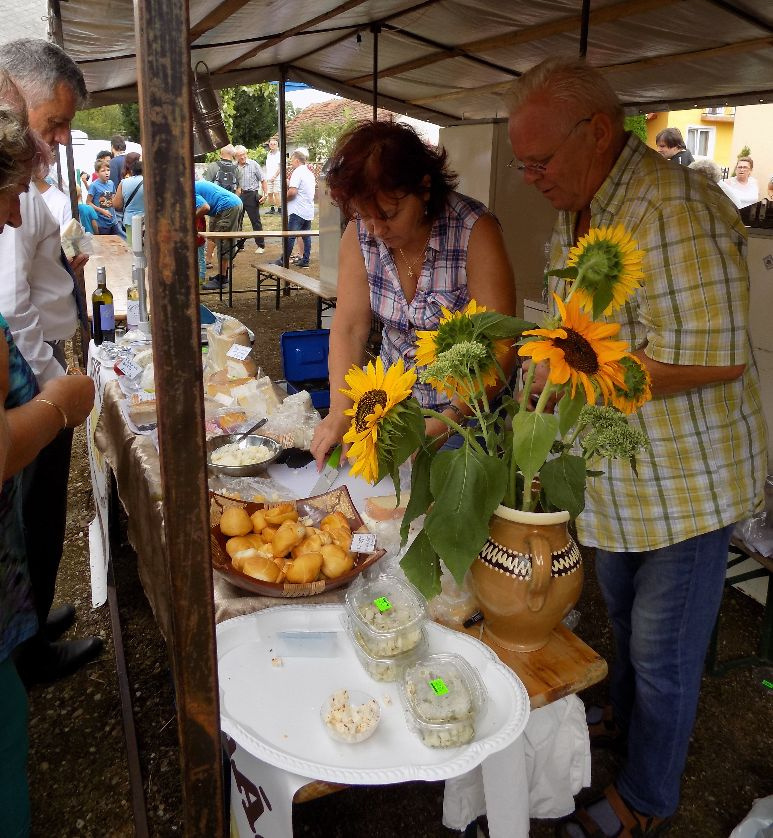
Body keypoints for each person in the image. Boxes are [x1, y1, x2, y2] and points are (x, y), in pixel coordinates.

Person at [505, 57, 767, 837]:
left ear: (597, 133)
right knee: (618, 623)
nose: (529, 177)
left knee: (662, 655)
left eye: (539, 161)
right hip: (615, 479)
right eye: (520, 163)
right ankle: (620, 725)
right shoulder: (582, 208)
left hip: (685, 484)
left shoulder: (670, 207)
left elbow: (716, 353)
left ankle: (646, 798)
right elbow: (577, 328)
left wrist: (586, 375)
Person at [310, 120, 517, 468]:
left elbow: (499, 347)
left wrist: (448, 420)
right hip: (394, 407)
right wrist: (340, 411)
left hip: (469, 415)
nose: (376, 230)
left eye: (388, 215)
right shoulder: (359, 234)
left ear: (423, 188)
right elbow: (348, 327)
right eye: (364, 215)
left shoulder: (473, 230)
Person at [0, 85, 95, 830]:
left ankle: (27, 630)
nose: (13, 212)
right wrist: (56, 399)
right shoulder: (15, 201)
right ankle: (25, 647)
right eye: (53, 121)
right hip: (37, 387)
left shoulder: (31, 199)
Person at [195, 178, 243, 289]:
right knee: (218, 238)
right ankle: (222, 275)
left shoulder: (190, 190)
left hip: (228, 206)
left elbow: (204, 207)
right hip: (228, 204)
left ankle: (222, 279)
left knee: (223, 241)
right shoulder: (193, 185)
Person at [274, 147, 315, 267]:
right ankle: (305, 260)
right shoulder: (309, 173)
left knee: (290, 236)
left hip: (297, 210)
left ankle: (283, 260)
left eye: (292, 160)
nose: (291, 163)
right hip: (307, 209)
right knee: (306, 236)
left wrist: (283, 200)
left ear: (297, 160)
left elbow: (292, 192)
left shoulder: (297, 172)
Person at [233, 144, 266, 254]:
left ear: (246, 153)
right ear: (235, 157)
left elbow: (263, 179)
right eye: (239, 155)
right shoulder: (234, 167)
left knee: (255, 221)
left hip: (251, 195)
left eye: (243, 154)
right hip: (238, 195)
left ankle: (261, 245)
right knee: (238, 221)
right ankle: (239, 245)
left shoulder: (253, 164)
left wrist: (265, 194)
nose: (242, 157)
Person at [87, 157, 125, 237]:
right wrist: (102, 210)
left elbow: (113, 198)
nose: (106, 173)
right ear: (97, 173)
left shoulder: (111, 183)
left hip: (113, 220)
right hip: (101, 222)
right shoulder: (94, 185)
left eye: (108, 170)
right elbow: (88, 202)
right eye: (103, 171)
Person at [112, 152, 143, 246]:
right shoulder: (150, 182)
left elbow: (117, 205)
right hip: (148, 221)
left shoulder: (124, 183)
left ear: (132, 170)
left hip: (131, 221)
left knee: (134, 249)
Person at [264, 136, 281, 213]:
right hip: (269, 177)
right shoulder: (268, 154)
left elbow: (280, 167)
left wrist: (275, 176)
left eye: (274, 144)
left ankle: (280, 209)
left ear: (277, 145)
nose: (272, 145)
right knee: (270, 193)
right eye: (271, 144)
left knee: (276, 192)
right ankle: (272, 209)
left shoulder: (279, 154)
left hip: (277, 177)